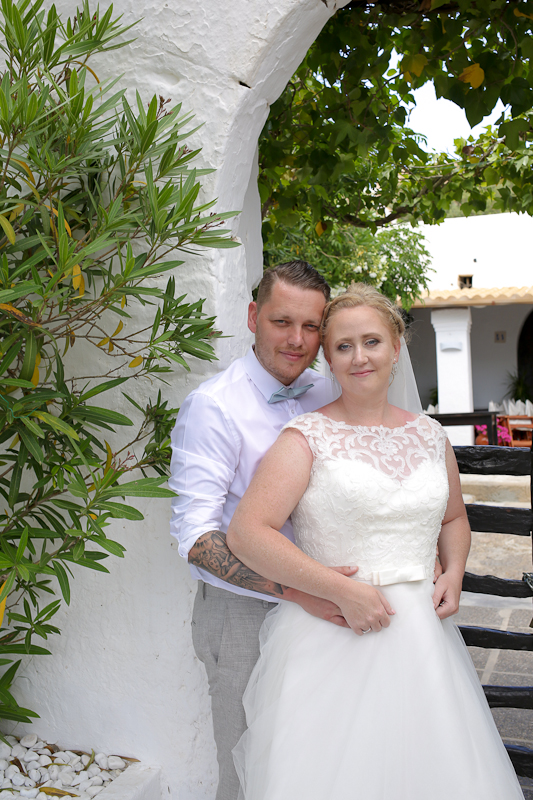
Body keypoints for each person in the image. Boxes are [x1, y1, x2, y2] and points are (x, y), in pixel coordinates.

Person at [227, 284, 524, 800]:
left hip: (423, 639)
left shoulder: (430, 436)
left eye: (371, 342)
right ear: (328, 358)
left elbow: (454, 518)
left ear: (396, 347)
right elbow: (247, 532)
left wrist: (454, 571)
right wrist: (339, 589)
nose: (359, 357)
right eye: (343, 346)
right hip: (335, 632)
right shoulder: (305, 438)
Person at [170, 262, 361, 800]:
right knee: (248, 764)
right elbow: (196, 537)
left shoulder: (331, 391)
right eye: (282, 322)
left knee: (322, 760)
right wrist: (298, 591)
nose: (297, 340)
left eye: (311, 326)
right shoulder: (214, 406)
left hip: (331, 606)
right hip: (244, 612)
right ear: (254, 317)